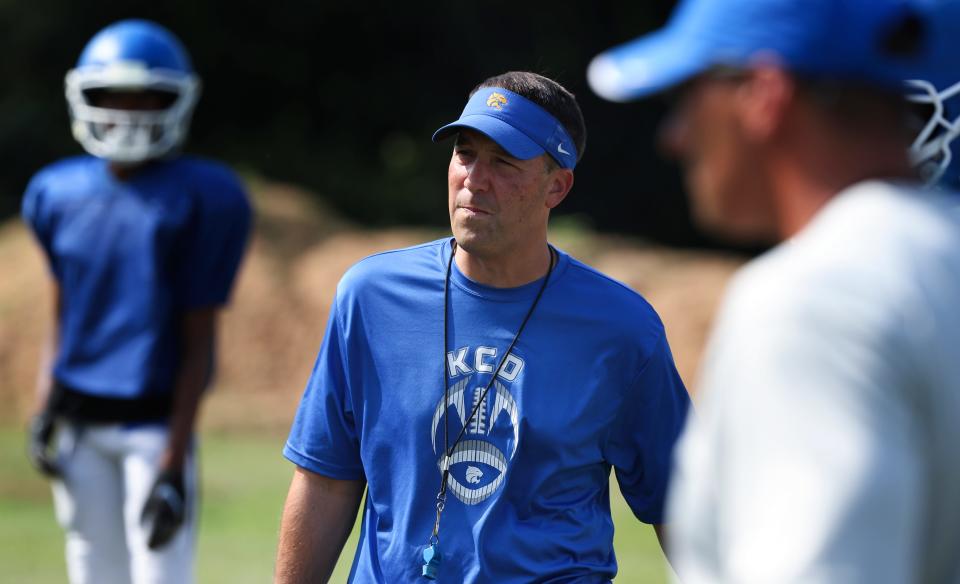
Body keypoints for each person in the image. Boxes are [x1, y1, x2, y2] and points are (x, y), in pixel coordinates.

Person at [588, 0, 960, 582]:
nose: (674, 137)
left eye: (685, 97)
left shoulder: (813, 302)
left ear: (764, 94)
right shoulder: (938, 261)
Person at [275, 71, 691, 583]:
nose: (474, 177)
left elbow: (681, 506)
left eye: (504, 161)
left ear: (556, 186)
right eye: (465, 153)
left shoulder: (622, 330)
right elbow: (326, 480)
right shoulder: (370, 298)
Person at [22, 19, 251, 584]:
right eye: (112, 96)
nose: (126, 111)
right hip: (77, 421)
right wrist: (44, 403)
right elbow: (63, 311)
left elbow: (199, 337)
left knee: (160, 573)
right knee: (90, 568)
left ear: (176, 101)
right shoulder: (56, 192)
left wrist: (175, 459)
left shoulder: (206, 197)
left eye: (145, 97)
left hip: (154, 426)